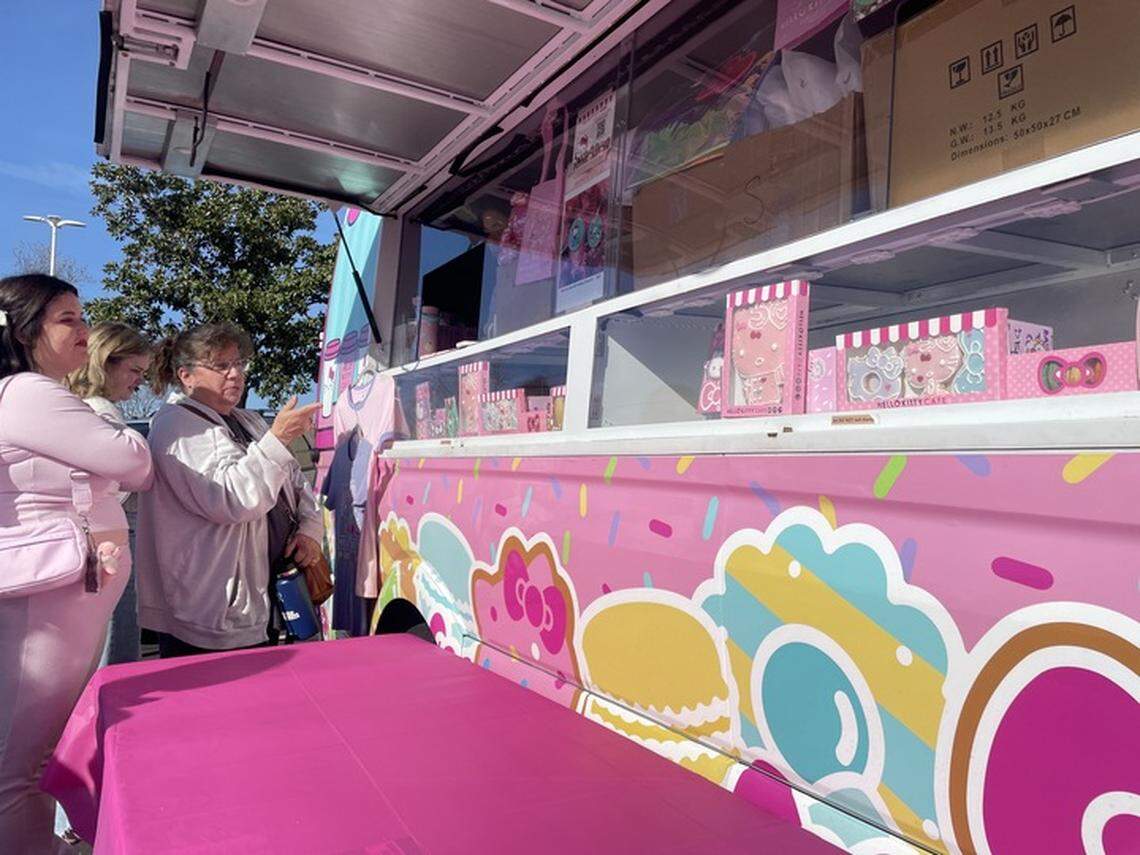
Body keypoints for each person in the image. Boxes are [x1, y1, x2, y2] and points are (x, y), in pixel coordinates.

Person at [0, 275, 152, 853]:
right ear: (23, 328)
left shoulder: (25, 394)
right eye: (68, 319)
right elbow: (134, 462)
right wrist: (111, 460)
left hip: (52, 589)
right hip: (48, 591)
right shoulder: (32, 393)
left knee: (30, 745)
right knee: (25, 755)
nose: (84, 331)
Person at [136, 322, 324, 657]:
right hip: (210, 614)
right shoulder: (175, 426)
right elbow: (232, 500)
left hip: (260, 603)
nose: (235, 374)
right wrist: (278, 439)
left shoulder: (248, 420)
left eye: (239, 363)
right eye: (221, 366)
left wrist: (309, 529)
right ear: (186, 376)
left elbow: (296, 482)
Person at [67, 322, 153, 666]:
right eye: (134, 370)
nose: (140, 381)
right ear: (105, 363)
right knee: (113, 644)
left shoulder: (78, 408)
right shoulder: (100, 413)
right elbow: (127, 477)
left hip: (95, 542)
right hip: (108, 543)